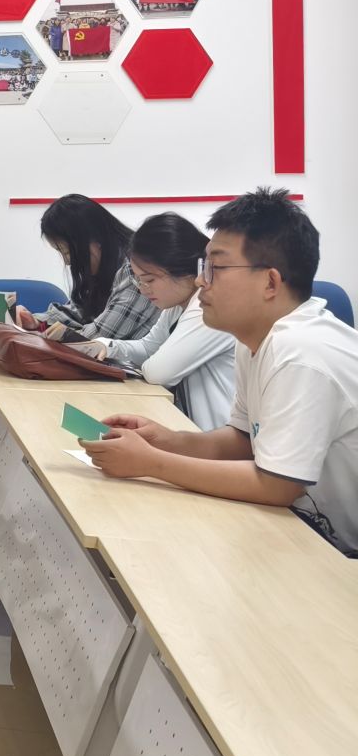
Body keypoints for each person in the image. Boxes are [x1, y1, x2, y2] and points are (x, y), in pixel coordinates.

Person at [84, 190, 358, 552]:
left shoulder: (300, 352)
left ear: (270, 283)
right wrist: (167, 440)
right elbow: (243, 441)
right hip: (311, 531)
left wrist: (151, 462)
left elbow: (277, 486)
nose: (201, 281)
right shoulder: (255, 338)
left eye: (216, 268)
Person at [76, 212, 236, 430]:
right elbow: (148, 347)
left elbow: (158, 372)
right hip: (197, 431)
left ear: (184, 271)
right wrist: (107, 346)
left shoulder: (206, 306)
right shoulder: (178, 304)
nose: (143, 289)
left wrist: (140, 359)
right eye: (138, 280)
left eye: (149, 280)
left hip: (221, 437)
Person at [19, 194, 158, 343]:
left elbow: (101, 336)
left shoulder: (136, 270)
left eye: (68, 252)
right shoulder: (105, 266)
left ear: (96, 240)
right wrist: (36, 321)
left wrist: (46, 333)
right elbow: (80, 309)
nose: (67, 262)